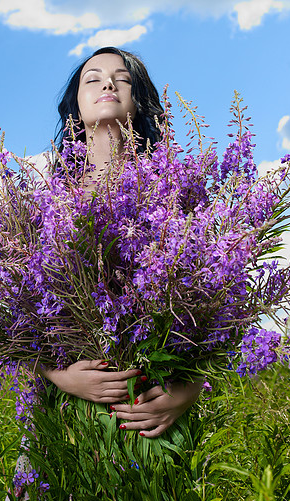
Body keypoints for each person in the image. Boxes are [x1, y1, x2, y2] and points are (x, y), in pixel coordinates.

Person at [38, 47, 204, 439]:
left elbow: (221, 313)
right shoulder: (48, 200)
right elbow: (17, 321)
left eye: (122, 78)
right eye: (92, 78)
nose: (108, 83)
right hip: (68, 421)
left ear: (140, 101)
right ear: (74, 107)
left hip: (152, 414)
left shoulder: (174, 188)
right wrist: (60, 376)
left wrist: (185, 394)